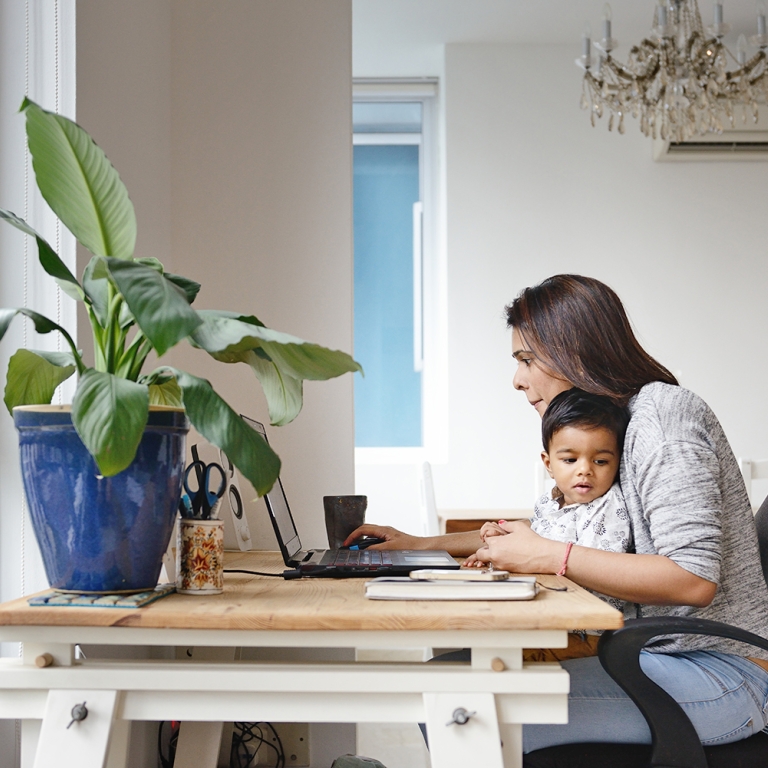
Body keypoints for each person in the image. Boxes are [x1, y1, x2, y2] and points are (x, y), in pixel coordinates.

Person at [345, 274, 768, 751]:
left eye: (527, 359)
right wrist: (420, 545)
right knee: (445, 679)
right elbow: (545, 531)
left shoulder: (663, 419)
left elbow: (693, 579)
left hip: (721, 674)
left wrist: (550, 556)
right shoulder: (613, 425)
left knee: (456, 705)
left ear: (575, 350)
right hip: (654, 658)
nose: (517, 379)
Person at [468, 387, 631, 662]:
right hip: (548, 619)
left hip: (589, 635)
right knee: (478, 642)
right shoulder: (549, 502)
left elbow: (598, 568)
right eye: (569, 460)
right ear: (548, 463)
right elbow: (531, 548)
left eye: (601, 461)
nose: (584, 470)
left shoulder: (611, 507)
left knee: (498, 658)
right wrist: (496, 547)